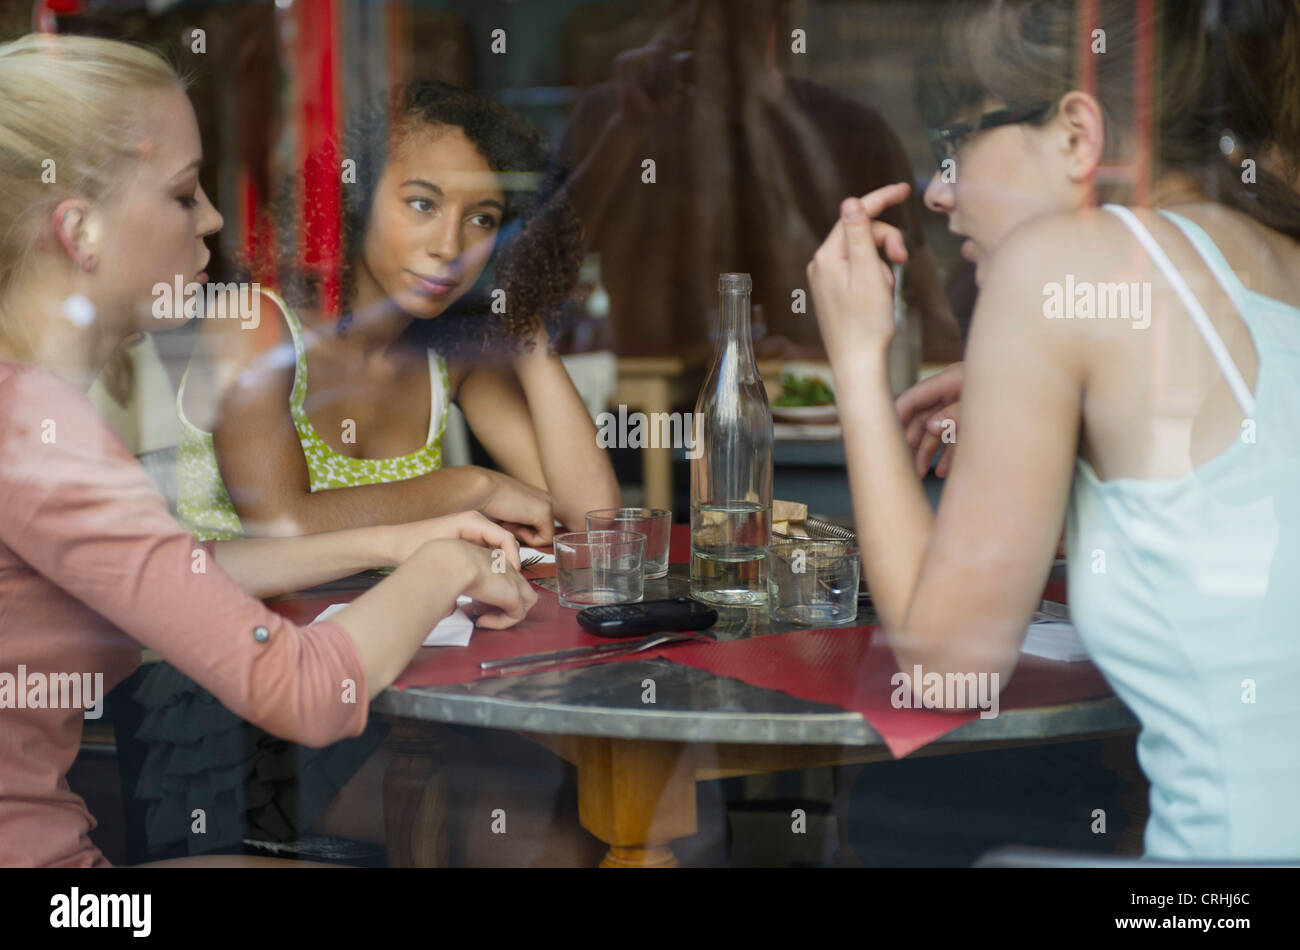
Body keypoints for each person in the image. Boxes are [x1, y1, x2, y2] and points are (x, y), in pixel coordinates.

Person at [0, 32, 537, 867]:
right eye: (184, 194)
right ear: (81, 231)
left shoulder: (29, 410)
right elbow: (307, 691)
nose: (214, 217)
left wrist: (389, 542)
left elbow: (169, 572)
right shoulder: (43, 435)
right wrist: (447, 569)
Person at [810, 0, 1300, 861]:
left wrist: (855, 359)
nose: (937, 189)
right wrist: (1036, 396)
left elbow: (943, 675)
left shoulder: (1061, 266)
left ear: (1079, 134)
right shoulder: (1273, 258)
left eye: (957, 142)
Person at [130, 80, 620, 860]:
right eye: (422, 204)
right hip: (226, 695)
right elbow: (283, 520)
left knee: (577, 813)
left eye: (483, 220)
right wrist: (474, 485)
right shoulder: (255, 321)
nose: (450, 243)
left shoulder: (447, 352)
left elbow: (594, 520)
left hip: (383, 676)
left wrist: (522, 319)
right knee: (538, 829)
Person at [550, 0, 964, 362]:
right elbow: (535, 273)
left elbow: (936, 330)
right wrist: (624, 131)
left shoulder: (854, 131)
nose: (707, 21)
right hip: (640, 423)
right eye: (688, 2)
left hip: (818, 433)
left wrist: (819, 361)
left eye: (731, 6)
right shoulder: (610, 117)